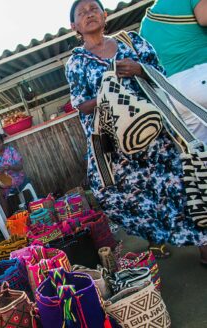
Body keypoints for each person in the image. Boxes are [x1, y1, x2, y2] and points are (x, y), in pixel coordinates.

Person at [65, 0, 207, 263]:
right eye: (81, 13)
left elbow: (162, 75)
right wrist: (110, 90)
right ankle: (156, 237)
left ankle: (203, 243)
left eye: (93, 9)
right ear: (74, 26)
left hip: (154, 134)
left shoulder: (131, 42)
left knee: (180, 184)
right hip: (117, 145)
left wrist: (140, 70)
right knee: (127, 195)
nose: (89, 14)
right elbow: (81, 105)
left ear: (105, 15)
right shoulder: (76, 63)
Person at [140, 0, 207, 143]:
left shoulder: (146, 24)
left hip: (176, 93)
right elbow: (204, 16)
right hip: (202, 74)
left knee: (203, 151)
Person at [0, 131, 27, 216]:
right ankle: (6, 218)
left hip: (16, 177)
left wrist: (10, 167)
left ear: (3, 142)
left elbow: (20, 166)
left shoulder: (10, 150)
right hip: (0, 181)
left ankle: (6, 218)